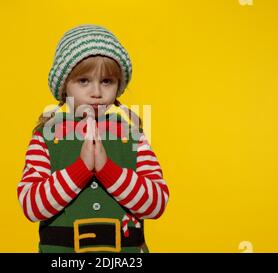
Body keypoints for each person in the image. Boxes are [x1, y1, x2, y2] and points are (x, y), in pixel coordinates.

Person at [17, 24, 169, 253]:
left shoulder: (132, 136)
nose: (96, 92)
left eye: (106, 81)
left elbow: (156, 204)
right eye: (83, 81)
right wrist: (82, 168)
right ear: (64, 87)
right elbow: (31, 206)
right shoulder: (46, 137)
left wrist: (107, 169)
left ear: (118, 86)